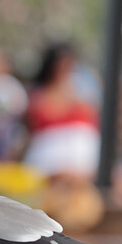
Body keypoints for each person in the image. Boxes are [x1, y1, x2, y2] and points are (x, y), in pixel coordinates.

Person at [24, 43, 100, 179]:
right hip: (52, 156)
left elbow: (91, 118)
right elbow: (41, 119)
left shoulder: (84, 87)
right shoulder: (39, 93)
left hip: (84, 156)